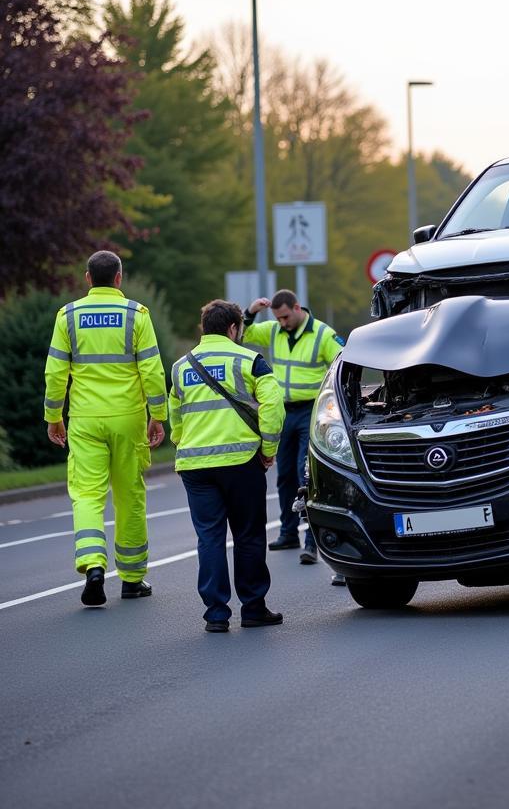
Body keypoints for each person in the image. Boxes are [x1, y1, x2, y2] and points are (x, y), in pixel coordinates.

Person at [43, 250, 167, 607]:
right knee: (130, 495)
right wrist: (157, 414)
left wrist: (54, 416)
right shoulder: (136, 315)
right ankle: (131, 579)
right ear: (118, 278)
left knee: (86, 494)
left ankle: (93, 564)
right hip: (128, 418)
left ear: (87, 278)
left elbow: (55, 373)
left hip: (84, 419)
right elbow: (152, 370)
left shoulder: (67, 316)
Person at [168, 300, 285, 632]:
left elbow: (174, 415)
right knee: (248, 535)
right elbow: (272, 406)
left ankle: (216, 614)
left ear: (203, 328)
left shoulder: (180, 367)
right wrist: (268, 448)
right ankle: (252, 608)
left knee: (209, 538)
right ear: (234, 328)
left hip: (195, 465)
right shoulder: (251, 361)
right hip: (240, 462)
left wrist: (184, 444)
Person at [242, 290, 344, 569]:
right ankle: (288, 532)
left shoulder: (323, 334)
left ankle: (312, 540)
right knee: (284, 474)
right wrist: (250, 312)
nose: (282, 322)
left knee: (305, 474)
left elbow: (343, 363)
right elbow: (242, 335)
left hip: (312, 412)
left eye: (285, 316)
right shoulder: (274, 330)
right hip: (284, 412)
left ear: (297, 307)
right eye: (277, 318)